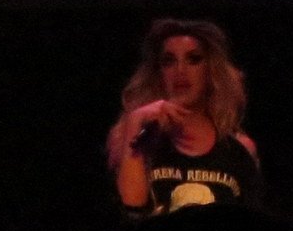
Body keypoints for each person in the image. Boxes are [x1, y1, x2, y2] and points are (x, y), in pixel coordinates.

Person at [106, 19, 262, 217]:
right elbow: (132, 213)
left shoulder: (239, 150)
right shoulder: (135, 138)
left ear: (210, 70)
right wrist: (135, 121)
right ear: (158, 72)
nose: (180, 71)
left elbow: (252, 224)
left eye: (193, 59)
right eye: (169, 61)